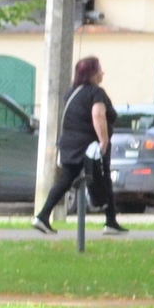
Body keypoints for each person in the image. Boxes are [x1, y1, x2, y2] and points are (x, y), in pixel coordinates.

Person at [35, 55, 125, 236]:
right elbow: (98, 115)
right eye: (99, 69)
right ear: (92, 73)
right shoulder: (96, 93)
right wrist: (103, 140)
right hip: (90, 146)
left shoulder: (72, 93)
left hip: (69, 143)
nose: (102, 73)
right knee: (103, 178)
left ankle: (42, 216)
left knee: (65, 180)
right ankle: (110, 221)